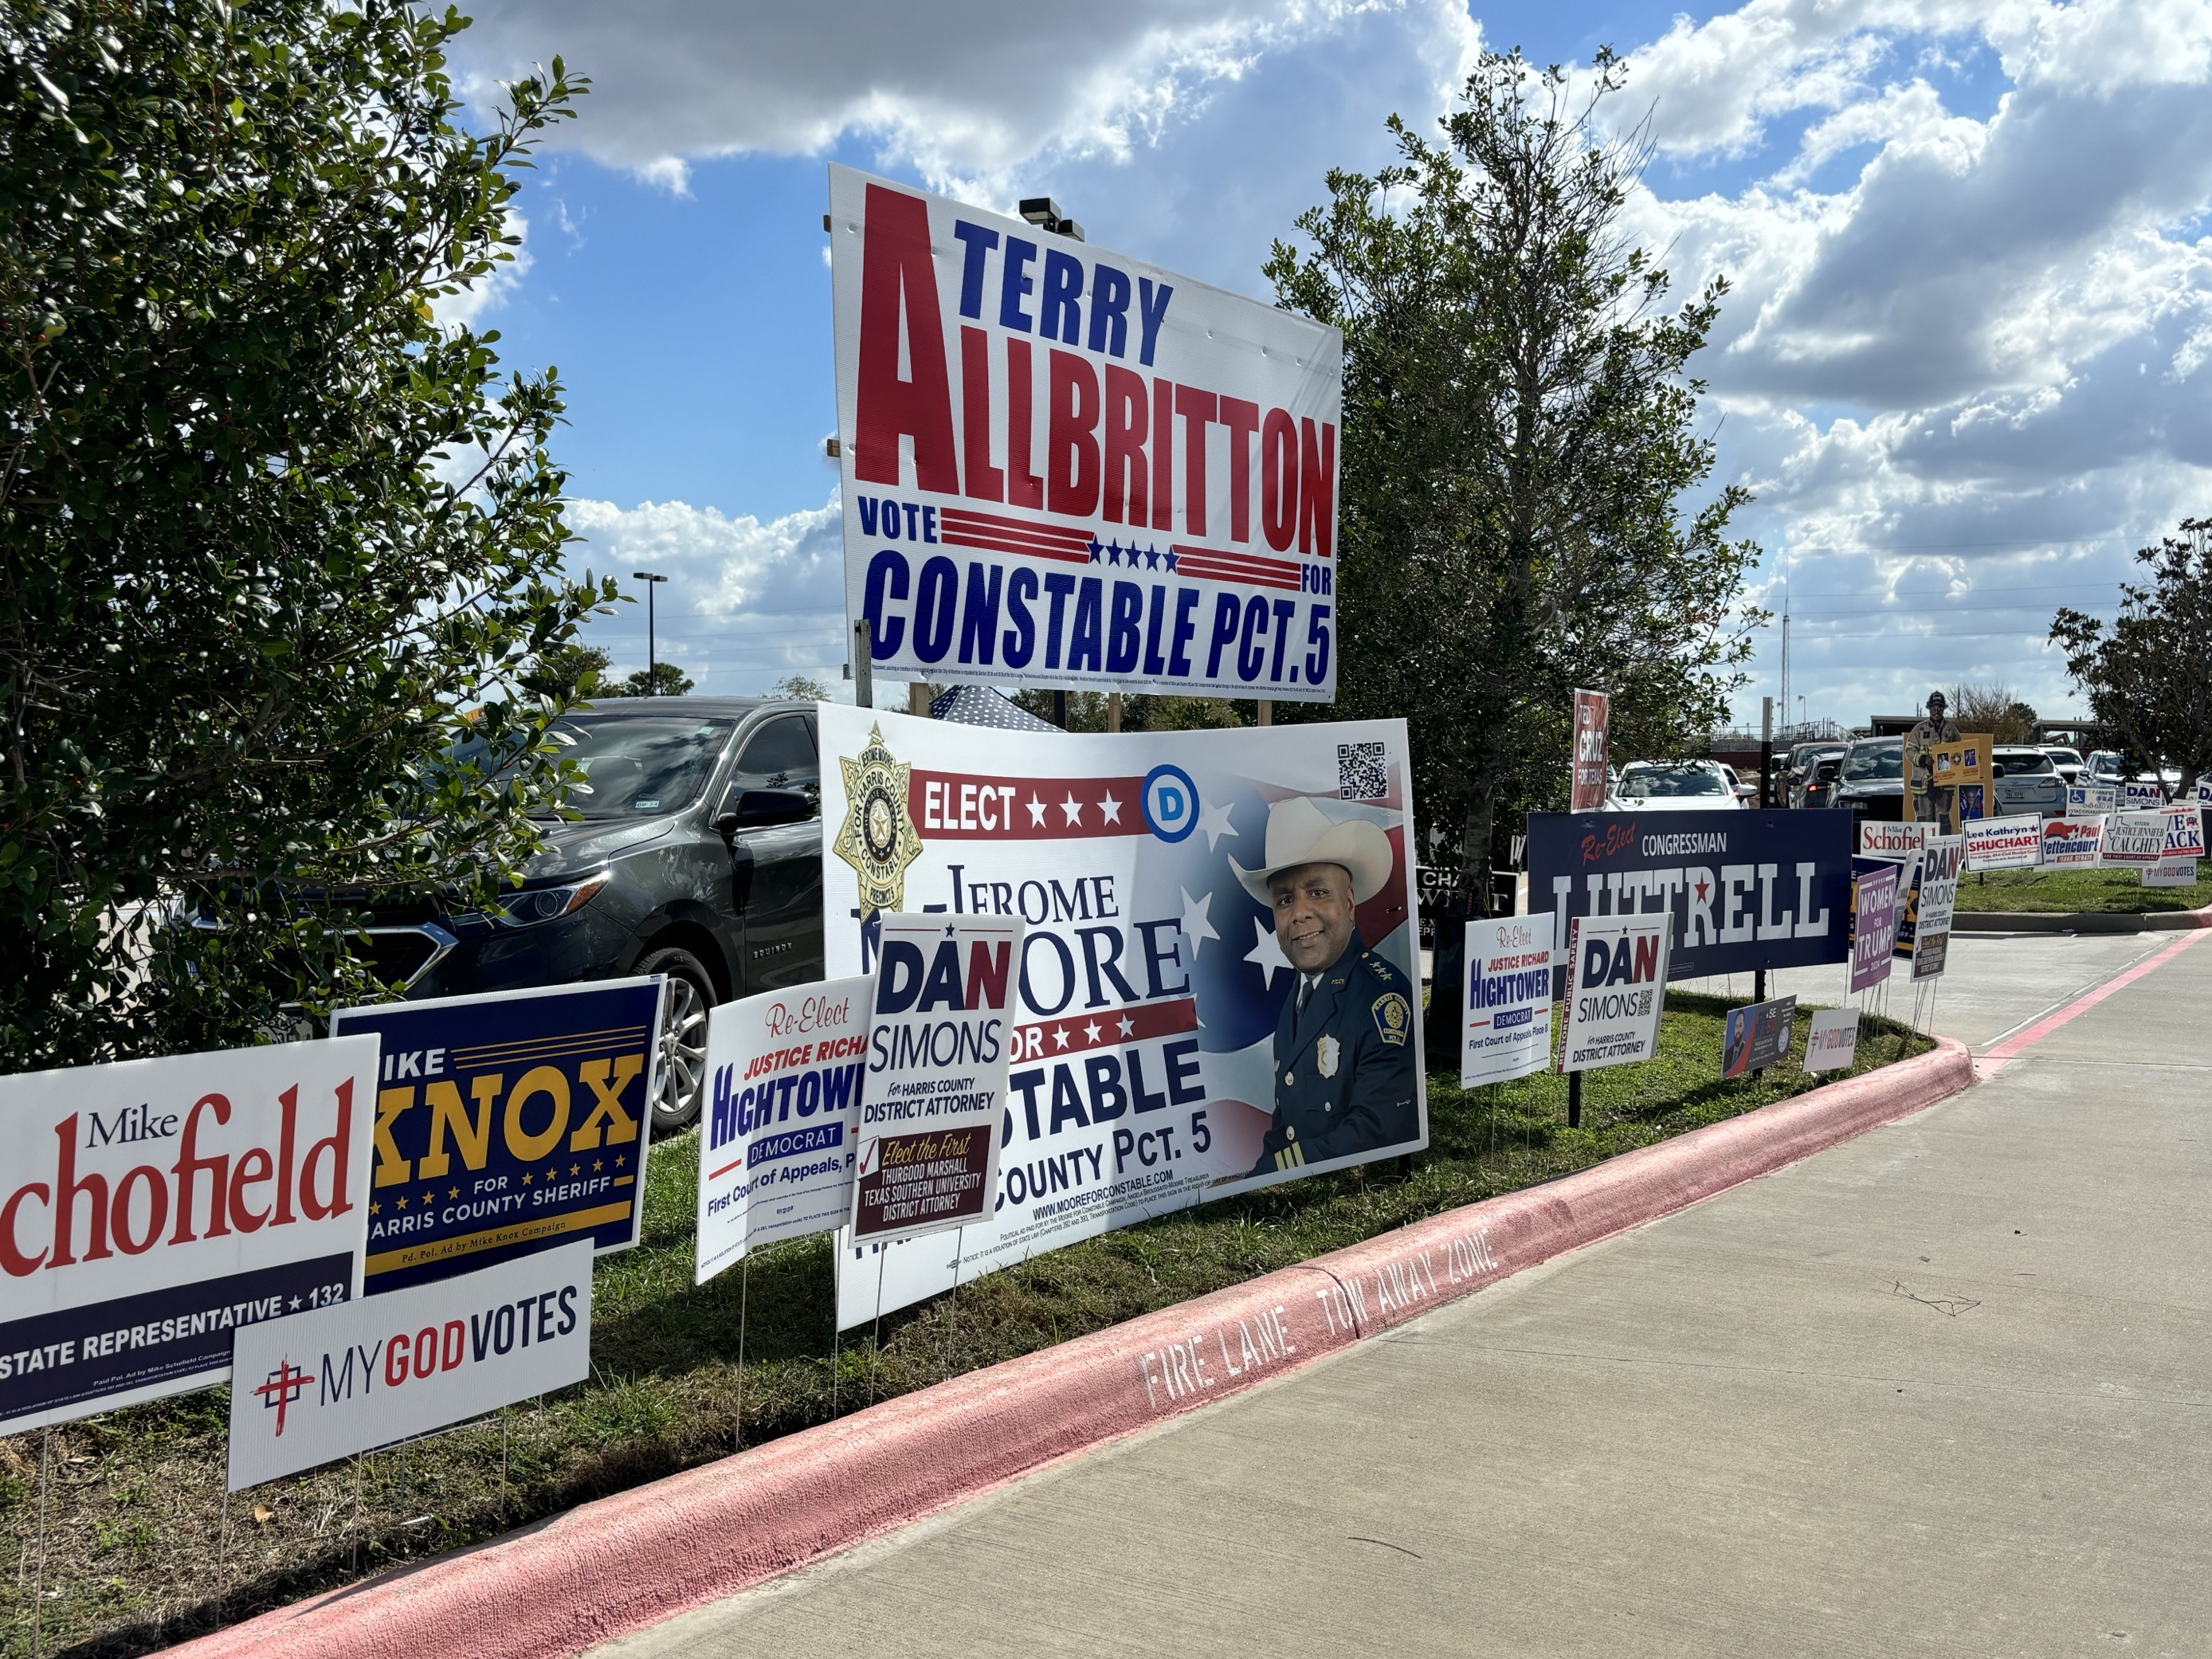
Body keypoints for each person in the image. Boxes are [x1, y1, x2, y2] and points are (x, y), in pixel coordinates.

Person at [1230, 796, 1420, 1175]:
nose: (1299, 912)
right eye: (1284, 900)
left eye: (1317, 892)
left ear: (1349, 903)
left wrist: (1269, 1174)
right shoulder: (1297, 998)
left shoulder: (1382, 998)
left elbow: (1375, 1132)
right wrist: (1253, 1177)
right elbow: (1287, 1122)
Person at [1904, 691, 1961, 825]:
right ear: (1929, 709)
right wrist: (1922, 759)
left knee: (1944, 818)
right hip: (1924, 782)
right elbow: (1909, 751)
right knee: (1924, 818)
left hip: (1945, 782)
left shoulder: (1951, 730)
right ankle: (1923, 845)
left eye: (1940, 707)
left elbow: (1960, 752)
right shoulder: (1919, 730)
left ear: (1943, 709)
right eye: (1934, 707)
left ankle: (1945, 845)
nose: (1937, 710)